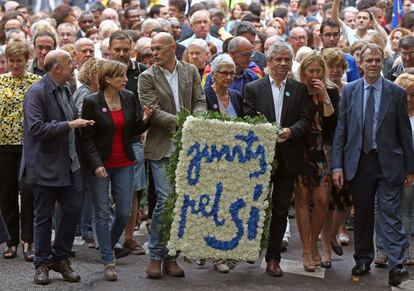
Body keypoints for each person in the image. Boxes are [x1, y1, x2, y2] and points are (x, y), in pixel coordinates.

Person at [331, 43, 414, 287]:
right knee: (363, 214)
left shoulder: (396, 93)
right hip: (359, 162)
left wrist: (410, 169)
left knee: (389, 213)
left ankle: (397, 264)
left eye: (378, 60)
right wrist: (337, 166)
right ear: (361, 63)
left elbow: (404, 134)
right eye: (369, 61)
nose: (374, 65)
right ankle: (363, 259)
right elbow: (342, 131)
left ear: (382, 62)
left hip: (389, 163)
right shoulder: (350, 91)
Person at [22, 49, 94, 285]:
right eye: (70, 62)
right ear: (57, 68)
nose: (74, 66)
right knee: (43, 217)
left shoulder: (65, 88)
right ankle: (42, 263)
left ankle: (60, 258)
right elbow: (36, 129)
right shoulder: (37, 92)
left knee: (72, 212)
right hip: (45, 165)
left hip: (70, 164)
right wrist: (70, 124)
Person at [139, 32, 206, 279]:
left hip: (188, 147)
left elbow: (200, 101)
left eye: (158, 48)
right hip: (161, 148)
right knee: (166, 200)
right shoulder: (147, 77)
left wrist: (196, 119)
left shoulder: (190, 71)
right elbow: (153, 112)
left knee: (180, 203)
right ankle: (155, 256)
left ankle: (171, 257)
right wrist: (185, 123)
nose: (153, 53)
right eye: (151, 49)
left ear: (173, 48)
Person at [81, 60, 155, 281]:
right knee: (102, 212)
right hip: (101, 165)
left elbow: (133, 129)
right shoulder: (91, 101)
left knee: (123, 211)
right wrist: (96, 165)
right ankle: (108, 259)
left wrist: (146, 120)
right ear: (108, 80)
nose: (125, 79)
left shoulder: (129, 98)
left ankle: (108, 245)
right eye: (121, 76)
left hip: (124, 162)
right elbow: (87, 139)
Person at [244, 42, 312, 277]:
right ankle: (249, 250)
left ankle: (274, 258)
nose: (282, 64)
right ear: (268, 62)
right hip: (260, 160)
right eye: (278, 59)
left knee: (281, 210)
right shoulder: (253, 88)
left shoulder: (299, 89)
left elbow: (306, 120)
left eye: (287, 59)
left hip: (288, 158)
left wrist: (291, 131)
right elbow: (248, 120)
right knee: (255, 207)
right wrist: (267, 132)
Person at [294, 52, 339, 271]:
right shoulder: (297, 91)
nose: (314, 75)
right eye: (310, 71)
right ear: (303, 72)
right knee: (302, 201)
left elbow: (333, 125)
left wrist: (324, 95)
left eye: (318, 71)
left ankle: (314, 244)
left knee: (322, 200)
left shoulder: (330, 90)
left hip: (323, 152)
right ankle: (306, 250)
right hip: (300, 152)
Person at [108, 30, 148, 256]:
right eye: (117, 50)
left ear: (131, 49)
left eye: (125, 49)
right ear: (109, 49)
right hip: (107, 140)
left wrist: (145, 124)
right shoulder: (102, 71)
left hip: (133, 139)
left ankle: (130, 237)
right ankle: (108, 237)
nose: (122, 54)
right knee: (107, 193)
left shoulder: (140, 72)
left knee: (133, 191)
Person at [0, 39, 40, 262]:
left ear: (27, 60)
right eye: (11, 61)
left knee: (28, 192)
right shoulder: (0, 82)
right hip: (2, 144)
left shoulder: (36, 82)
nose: (15, 65)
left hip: (29, 146)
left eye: (19, 61)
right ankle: (11, 241)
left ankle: (28, 240)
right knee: (6, 194)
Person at [205, 53, 243, 118]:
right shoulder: (205, 95)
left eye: (231, 73)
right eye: (224, 73)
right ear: (214, 74)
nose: (229, 77)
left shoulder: (236, 96)